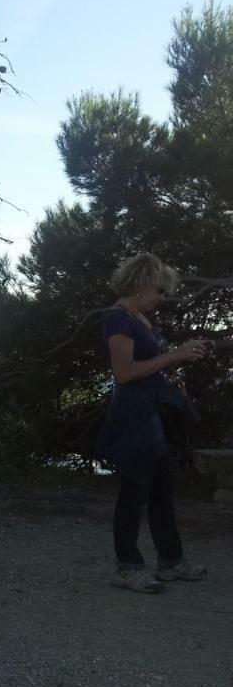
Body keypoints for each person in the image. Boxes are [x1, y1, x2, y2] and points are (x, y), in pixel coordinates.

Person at [96, 252, 210, 593]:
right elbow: (125, 373)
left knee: (161, 491)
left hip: (151, 415)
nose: (162, 298)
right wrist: (173, 355)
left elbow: (151, 365)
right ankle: (127, 567)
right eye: (159, 290)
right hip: (134, 417)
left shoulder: (140, 318)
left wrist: (181, 356)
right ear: (142, 283)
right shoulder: (117, 319)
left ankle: (171, 562)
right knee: (134, 492)